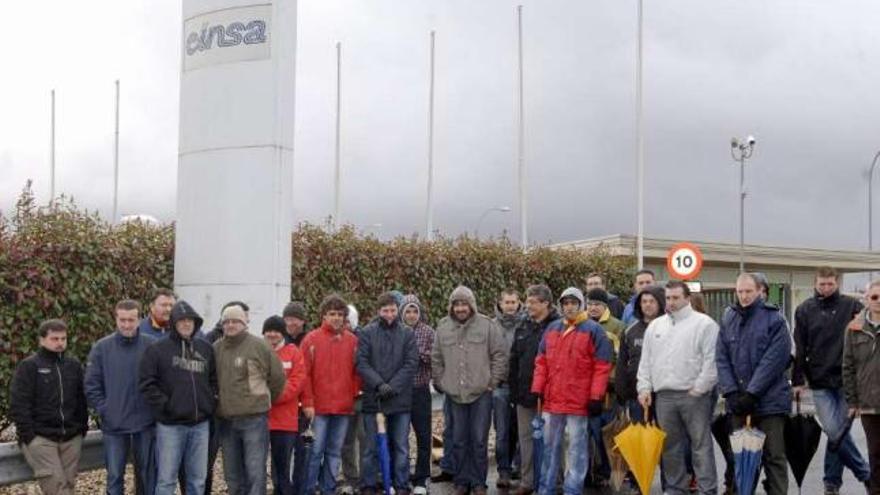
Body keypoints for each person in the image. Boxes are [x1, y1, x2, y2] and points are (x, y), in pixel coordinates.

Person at [794, 266, 872, 495]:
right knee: (834, 429)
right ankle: (866, 474)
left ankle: (831, 482)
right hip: (819, 381)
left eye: (830, 284)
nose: (826, 288)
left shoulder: (852, 307)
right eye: (821, 284)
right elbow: (800, 345)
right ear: (815, 283)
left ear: (837, 283)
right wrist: (797, 378)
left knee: (837, 432)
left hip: (848, 381)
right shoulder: (805, 310)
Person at [637, 281, 719, 495]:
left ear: (687, 298)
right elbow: (646, 361)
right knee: (670, 448)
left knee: (700, 446)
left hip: (695, 395)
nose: (671, 302)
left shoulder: (705, 324)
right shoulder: (656, 326)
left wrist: (700, 387)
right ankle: (675, 489)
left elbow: (712, 361)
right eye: (668, 298)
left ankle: (707, 489)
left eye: (676, 298)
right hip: (664, 396)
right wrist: (644, 388)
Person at [716, 273, 793, 495]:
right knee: (742, 458)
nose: (744, 296)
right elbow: (721, 357)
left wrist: (752, 393)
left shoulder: (775, 319)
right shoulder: (728, 317)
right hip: (738, 402)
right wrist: (730, 392)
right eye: (740, 291)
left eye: (749, 291)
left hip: (770, 403)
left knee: (774, 457)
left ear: (760, 291)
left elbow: (774, 360)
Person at [531, 287, 612, 495]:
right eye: (566, 303)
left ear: (580, 305)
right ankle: (545, 488)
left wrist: (596, 396)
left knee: (577, 450)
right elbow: (541, 362)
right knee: (550, 449)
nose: (569, 307)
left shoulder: (594, 330)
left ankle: (572, 489)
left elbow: (602, 366)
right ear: (561, 305)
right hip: (553, 400)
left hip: (579, 401)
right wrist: (538, 388)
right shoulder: (552, 329)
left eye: (573, 303)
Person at [432, 285, 508, 495]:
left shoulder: (487, 326)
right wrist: (441, 381)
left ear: (471, 305)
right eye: (457, 304)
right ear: (452, 306)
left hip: (481, 395)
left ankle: (478, 482)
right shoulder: (443, 326)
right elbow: (436, 358)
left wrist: (491, 382)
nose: (460, 308)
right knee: (458, 439)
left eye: (464, 304)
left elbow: (499, 355)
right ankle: (461, 481)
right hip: (455, 395)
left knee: (479, 440)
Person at [139, 301, 216, 495]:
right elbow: (147, 383)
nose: (186, 324)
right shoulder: (157, 350)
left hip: (200, 425)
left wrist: (211, 402)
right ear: (173, 323)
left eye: (190, 320)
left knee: (197, 481)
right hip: (170, 426)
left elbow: (214, 379)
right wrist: (167, 406)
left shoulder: (205, 349)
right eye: (181, 321)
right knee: (166, 481)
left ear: (195, 323)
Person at [85, 300, 157, 495]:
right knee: (115, 476)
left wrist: (155, 409)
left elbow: (162, 381)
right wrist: (105, 410)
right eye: (122, 320)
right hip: (114, 426)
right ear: (115, 319)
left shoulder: (152, 345)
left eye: (131, 320)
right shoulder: (101, 347)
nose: (127, 324)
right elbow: (91, 385)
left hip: (145, 424)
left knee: (147, 476)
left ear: (139, 319)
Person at [214, 304, 287, 495]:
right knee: (232, 474)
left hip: (254, 420)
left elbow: (278, 377)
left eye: (235, 321)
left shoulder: (259, 345)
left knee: (255, 472)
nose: (231, 325)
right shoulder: (216, 348)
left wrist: (262, 397)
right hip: (226, 421)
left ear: (244, 323)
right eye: (227, 321)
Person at [10, 319, 88, 495]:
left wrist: (81, 428)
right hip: (41, 438)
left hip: (71, 437)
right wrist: (29, 436)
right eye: (54, 339)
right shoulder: (29, 366)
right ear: (42, 340)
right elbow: (19, 403)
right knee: (56, 487)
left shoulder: (73, 365)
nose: (60, 343)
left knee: (68, 485)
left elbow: (81, 400)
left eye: (63, 338)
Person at [357, 292, 419, 495]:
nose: (390, 314)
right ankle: (369, 484)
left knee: (401, 446)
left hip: (400, 400)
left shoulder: (407, 333)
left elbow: (411, 364)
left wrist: (392, 386)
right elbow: (362, 363)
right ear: (379, 311)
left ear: (397, 310)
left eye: (393, 310)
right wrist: (379, 384)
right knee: (370, 448)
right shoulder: (367, 332)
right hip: (374, 400)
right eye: (385, 310)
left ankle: (401, 483)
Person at [301, 295, 361, 495]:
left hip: (343, 408)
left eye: (340, 314)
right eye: (332, 314)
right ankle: (309, 489)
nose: (336, 318)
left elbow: (357, 373)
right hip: (318, 408)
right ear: (323, 316)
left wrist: (353, 396)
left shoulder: (353, 341)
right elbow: (304, 375)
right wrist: (308, 402)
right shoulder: (311, 339)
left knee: (334, 452)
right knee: (315, 452)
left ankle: (328, 488)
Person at [508, 284, 560, 495]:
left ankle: (552, 481)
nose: (528, 306)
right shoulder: (523, 326)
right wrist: (514, 392)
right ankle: (527, 482)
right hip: (524, 394)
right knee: (526, 440)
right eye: (527, 301)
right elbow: (514, 360)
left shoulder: (558, 327)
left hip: (550, 396)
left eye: (532, 302)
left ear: (545, 303)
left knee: (552, 440)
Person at [584, 287, 625, 486]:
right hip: (584, 390)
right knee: (588, 434)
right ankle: (592, 473)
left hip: (608, 391)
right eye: (590, 304)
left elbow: (618, 357)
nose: (592, 308)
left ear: (605, 306)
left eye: (597, 304)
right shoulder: (580, 324)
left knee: (606, 433)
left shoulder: (617, 326)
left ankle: (609, 471)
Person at [263, 315, 307, 495]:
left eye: (276, 331)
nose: (272, 334)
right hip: (260, 419)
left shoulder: (293, 352)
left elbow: (297, 381)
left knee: (283, 468)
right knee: (259, 467)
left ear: (282, 333)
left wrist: (271, 397)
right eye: (268, 331)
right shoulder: (258, 350)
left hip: (285, 421)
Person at [844, 280, 880, 494]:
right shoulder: (854, 328)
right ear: (866, 300)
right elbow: (847, 366)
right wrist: (852, 401)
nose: (878, 301)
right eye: (874, 297)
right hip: (868, 404)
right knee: (875, 455)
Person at [401, 294, 435, 494]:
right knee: (400, 436)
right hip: (400, 391)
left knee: (423, 436)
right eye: (408, 311)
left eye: (415, 311)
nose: (412, 315)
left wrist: (415, 355)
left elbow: (433, 357)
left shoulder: (428, 332)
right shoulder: (397, 331)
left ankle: (422, 479)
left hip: (421, 390)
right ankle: (402, 476)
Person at [615, 285, 665, 421]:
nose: (648, 305)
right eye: (644, 301)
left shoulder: (670, 328)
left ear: (660, 303)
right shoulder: (630, 331)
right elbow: (622, 362)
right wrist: (622, 391)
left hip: (664, 395)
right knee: (641, 437)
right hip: (637, 395)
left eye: (652, 301)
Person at [493, 288, 524, 488]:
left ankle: (519, 468)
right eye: (507, 302)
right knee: (502, 430)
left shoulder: (527, 324)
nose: (510, 306)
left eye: (513, 302)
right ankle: (503, 470)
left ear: (519, 303)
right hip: (500, 386)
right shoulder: (491, 326)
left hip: (521, 386)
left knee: (522, 430)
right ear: (500, 304)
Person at [340, 304, 365, 495]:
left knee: (365, 438)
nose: (345, 324)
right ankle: (351, 478)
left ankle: (366, 477)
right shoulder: (335, 340)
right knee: (346, 440)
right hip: (343, 397)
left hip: (363, 396)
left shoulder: (364, 338)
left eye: (348, 321)